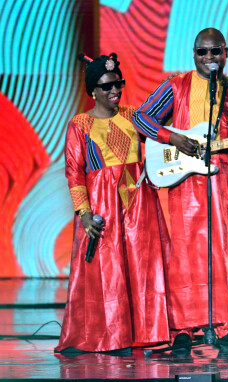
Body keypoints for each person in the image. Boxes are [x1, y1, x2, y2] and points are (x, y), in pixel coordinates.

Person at [133, 28, 228, 346]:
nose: (209, 58)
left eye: (215, 51)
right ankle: (183, 328)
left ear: (226, 53)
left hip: (227, 183)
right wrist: (172, 137)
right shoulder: (176, 86)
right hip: (187, 184)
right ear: (193, 54)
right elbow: (141, 117)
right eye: (202, 52)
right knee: (187, 254)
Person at [55, 53, 171, 354]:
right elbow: (74, 172)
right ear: (93, 90)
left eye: (118, 84)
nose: (114, 91)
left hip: (137, 203)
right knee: (108, 271)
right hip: (102, 206)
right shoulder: (80, 124)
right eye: (106, 87)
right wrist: (84, 213)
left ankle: (147, 332)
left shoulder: (133, 117)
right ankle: (109, 336)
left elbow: (164, 133)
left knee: (142, 267)